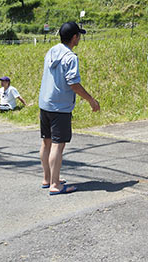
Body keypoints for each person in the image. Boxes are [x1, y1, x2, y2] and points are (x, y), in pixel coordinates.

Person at [38, 22, 100, 195]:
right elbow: (73, 83)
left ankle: (47, 178)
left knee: (46, 142)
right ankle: (56, 185)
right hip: (60, 107)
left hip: (45, 103)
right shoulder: (70, 57)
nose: (79, 38)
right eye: (78, 35)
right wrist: (91, 100)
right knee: (58, 145)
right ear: (74, 37)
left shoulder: (51, 51)